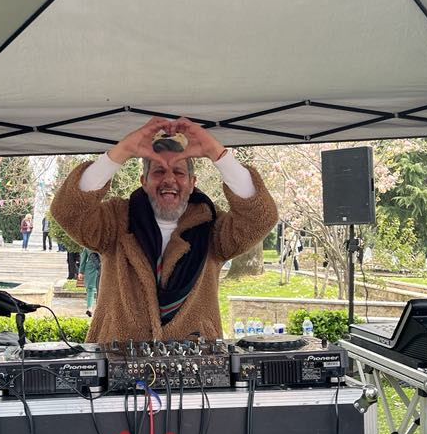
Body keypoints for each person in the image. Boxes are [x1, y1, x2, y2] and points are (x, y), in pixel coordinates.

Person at [50, 117, 278, 342]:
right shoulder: (116, 220)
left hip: (197, 362)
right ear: (144, 181)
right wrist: (122, 152)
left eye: (179, 172)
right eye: (159, 171)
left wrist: (217, 153)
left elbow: (259, 218)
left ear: (192, 182)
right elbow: (68, 210)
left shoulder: (213, 227)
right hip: (117, 357)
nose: (169, 179)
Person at [78, 247, 101, 317]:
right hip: (100, 268)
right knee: (98, 290)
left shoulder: (87, 246)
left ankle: (90, 308)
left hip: (91, 268)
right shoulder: (101, 244)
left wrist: (81, 272)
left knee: (91, 289)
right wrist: (81, 272)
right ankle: (96, 308)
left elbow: (83, 259)